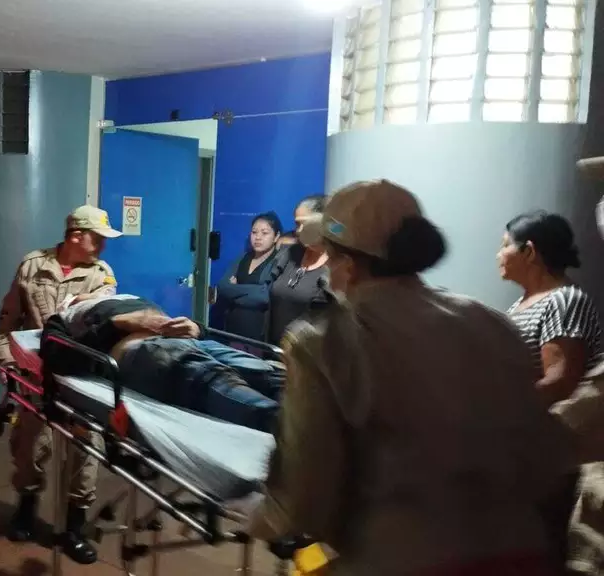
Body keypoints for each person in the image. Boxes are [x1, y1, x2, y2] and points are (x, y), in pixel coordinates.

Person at [247, 179, 574, 575]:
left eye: (330, 255)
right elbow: (546, 455)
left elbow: (306, 494)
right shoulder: (489, 321)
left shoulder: (323, 342)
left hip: (406, 559)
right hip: (525, 554)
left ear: (347, 264)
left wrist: (262, 516)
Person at [0, 204, 122, 564]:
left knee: (86, 450)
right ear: (76, 236)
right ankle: (26, 509)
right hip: (36, 375)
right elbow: (8, 322)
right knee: (30, 447)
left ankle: (74, 528)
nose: (103, 246)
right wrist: (7, 362)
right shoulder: (33, 266)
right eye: (97, 239)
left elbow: (107, 314)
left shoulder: (101, 274)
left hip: (80, 379)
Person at [497, 210, 603, 570]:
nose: (498, 255)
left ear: (529, 251)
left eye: (505, 245)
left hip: (552, 453)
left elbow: (561, 380)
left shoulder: (563, 299)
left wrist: (498, 413)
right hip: (527, 447)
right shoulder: (520, 304)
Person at [43, 294, 285, 432]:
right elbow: (57, 356)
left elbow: (169, 321)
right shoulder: (66, 317)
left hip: (189, 341)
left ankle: (301, 404)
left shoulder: (130, 297)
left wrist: (196, 328)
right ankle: (285, 427)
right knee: (212, 377)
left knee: (264, 372)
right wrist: (116, 324)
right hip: (142, 350)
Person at [216, 212, 283, 342]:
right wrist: (253, 290)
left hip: (258, 335)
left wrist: (234, 291)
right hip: (232, 330)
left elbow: (265, 296)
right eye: (254, 232)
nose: (258, 237)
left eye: (264, 233)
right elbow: (222, 287)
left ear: (276, 237)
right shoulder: (243, 258)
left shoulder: (278, 260)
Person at [267, 213, 331, 345]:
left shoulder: (335, 267)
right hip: (273, 343)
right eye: (298, 224)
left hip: (307, 348)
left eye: (305, 224)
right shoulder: (290, 253)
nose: (300, 230)